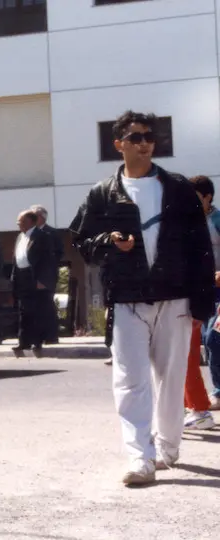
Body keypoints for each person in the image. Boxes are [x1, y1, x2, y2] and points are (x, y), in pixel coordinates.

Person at [70, 111, 214, 486]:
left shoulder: (179, 188)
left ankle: (167, 446)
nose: (145, 143)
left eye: (149, 137)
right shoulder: (102, 193)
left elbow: (201, 247)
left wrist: (204, 302)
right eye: (135, 137)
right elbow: (82, 241)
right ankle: (139, 458)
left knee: (171, 378)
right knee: (130, 379)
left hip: (175, 298)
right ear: (119, 144)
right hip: (127, 298)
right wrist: (108, 242)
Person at [188, 175, 220, 417]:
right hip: (201, 290)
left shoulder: (217, 220)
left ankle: (217, 393)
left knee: (212, 338)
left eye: (195, 195)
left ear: (207, 196)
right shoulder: (188, 222)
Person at [11, 210, 55, 358]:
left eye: (21, 221)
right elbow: (16, 259)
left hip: (35, 277)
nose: (18, 224)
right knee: (23, 310)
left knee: (36, 310)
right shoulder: (19, 237)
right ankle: (23, 342)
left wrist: (43, 280)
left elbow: (48, 261)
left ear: (30, 221)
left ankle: (37, 342)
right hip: (22, 276)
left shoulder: (42, 237)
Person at [31, 205, 64, 344]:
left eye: (34, 216)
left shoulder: (52, 233)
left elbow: (59, 253)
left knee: (47, 305)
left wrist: (46, 273)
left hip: (47, 276)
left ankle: (51, 336)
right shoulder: (31, 233)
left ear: (41, 217)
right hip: (33, 276)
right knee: (36, 306)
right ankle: (39, 336)